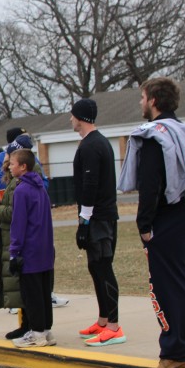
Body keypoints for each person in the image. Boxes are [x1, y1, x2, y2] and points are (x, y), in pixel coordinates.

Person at [118, 77, 185, 368]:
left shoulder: (153, 136)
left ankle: (175, 353)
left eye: (143, 97)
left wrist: (143, 224)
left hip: (167, 216)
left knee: (168, 286)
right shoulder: (184, 131)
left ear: (154, 101)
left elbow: (151, 184)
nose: (141, 103)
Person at [70, 98, 124, 347]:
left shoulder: (92, 145)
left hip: (99, 217)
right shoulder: (96, 142)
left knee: (103, 267)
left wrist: (84, 220)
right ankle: (103, 320)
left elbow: (90, 184)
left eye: (73, 115)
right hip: (100, 216)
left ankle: (114, 326)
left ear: (80, 118)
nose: (71, 119)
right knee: (95, 266)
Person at [7, 149, 57, 348]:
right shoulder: (40, 187)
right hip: (45, 250)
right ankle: (46, 330)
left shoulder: (21, 190)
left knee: (32, 294)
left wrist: (14, 251)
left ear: (23, 166)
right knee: (44, 293)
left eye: (12, 164)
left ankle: (36, 333)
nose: (10, 167)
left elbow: (18, 224)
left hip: (29, 251)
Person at [0, 136, 29, 340]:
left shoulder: (20, 183)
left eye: (11, 158)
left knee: (23, 284)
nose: (6, 160)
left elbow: (15, 212)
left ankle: (30, 326)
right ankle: (26, 324)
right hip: (12, 239)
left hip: (18, 240)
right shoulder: (14, 180)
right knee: (19, 283)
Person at [0, 126, 26, 197]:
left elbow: (43, 181)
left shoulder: (31, 157)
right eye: (24, 138)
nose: (28, 140)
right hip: (8, 200)